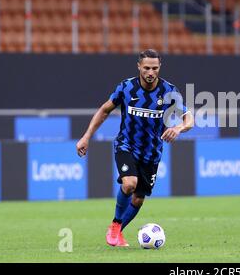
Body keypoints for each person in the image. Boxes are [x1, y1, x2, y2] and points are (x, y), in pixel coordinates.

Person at [76, 49, 194, 247]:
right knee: (129, 184)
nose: (150, 72)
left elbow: (189, 118)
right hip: (126, 145)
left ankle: (118, 231)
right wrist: (86, 136)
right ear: (139, 66)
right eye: (146, 67)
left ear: (159, 68)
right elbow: (104, 110)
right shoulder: (126, 88)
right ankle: (115, 225)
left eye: (154, 68)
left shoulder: (169, 91)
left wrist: (179, 128)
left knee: (138, 198)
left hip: (152, 153)